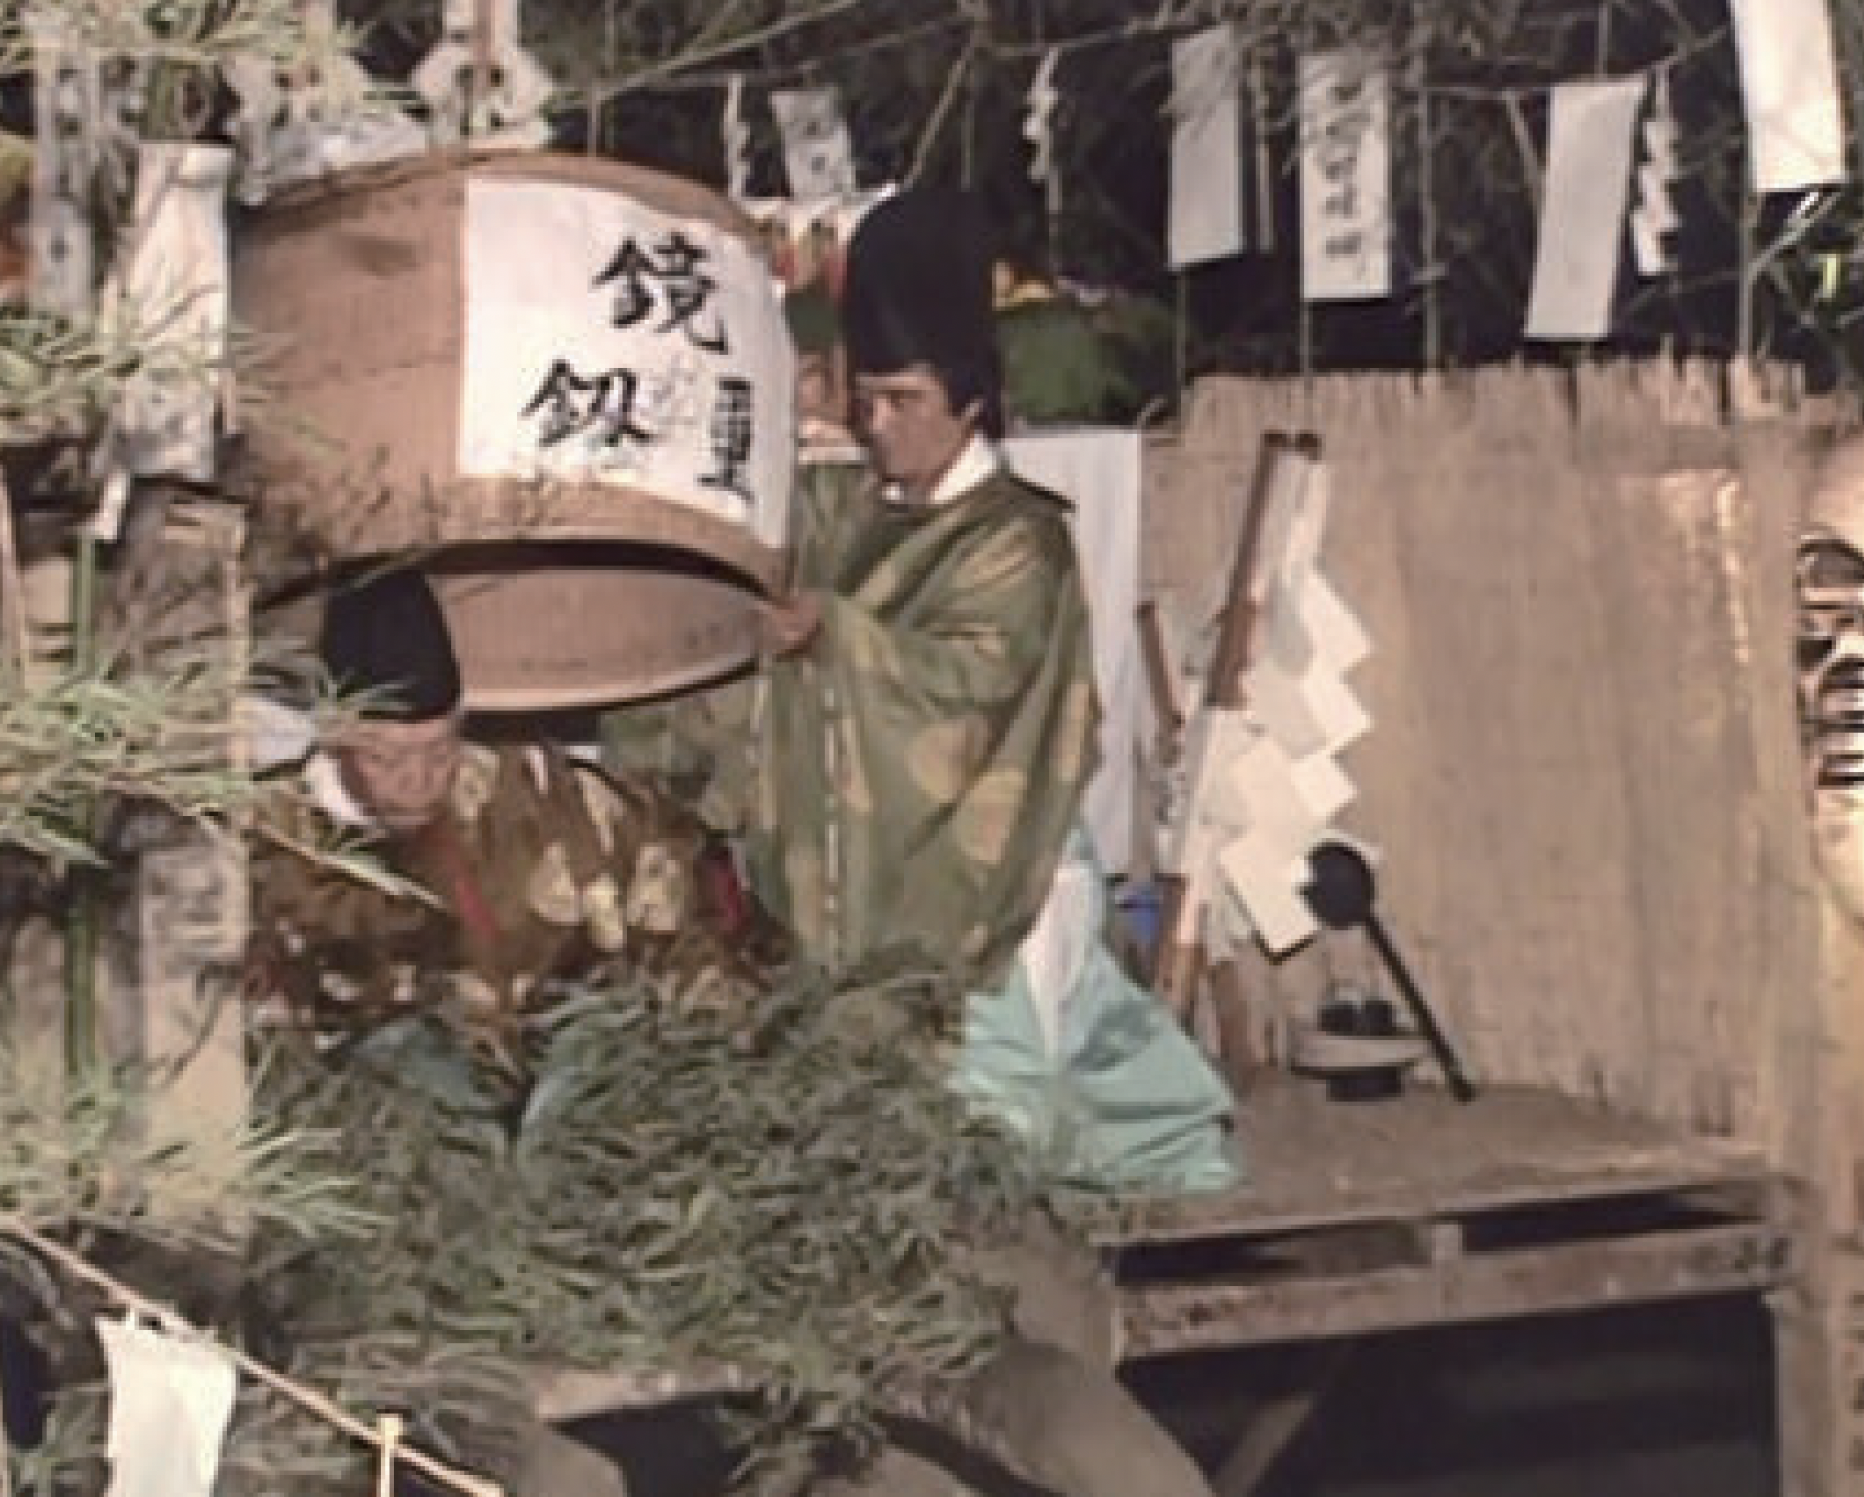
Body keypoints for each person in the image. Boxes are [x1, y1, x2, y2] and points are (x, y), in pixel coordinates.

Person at [613, 188, 1237, 1195]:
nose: (876, 424)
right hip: (863, 874)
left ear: (970, 400)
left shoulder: (1019, 539)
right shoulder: (857, 508)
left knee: (994, 1132)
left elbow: (968, 685)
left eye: (903, 401)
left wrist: (832, 637)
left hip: (988, 870)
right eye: (865, 399)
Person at [246, 566, 772, 1031]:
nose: (419, 779)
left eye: (439, 751)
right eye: (386, 758)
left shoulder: (530, 794)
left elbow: (676, 886)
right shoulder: (276, 849)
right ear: (335, 737)